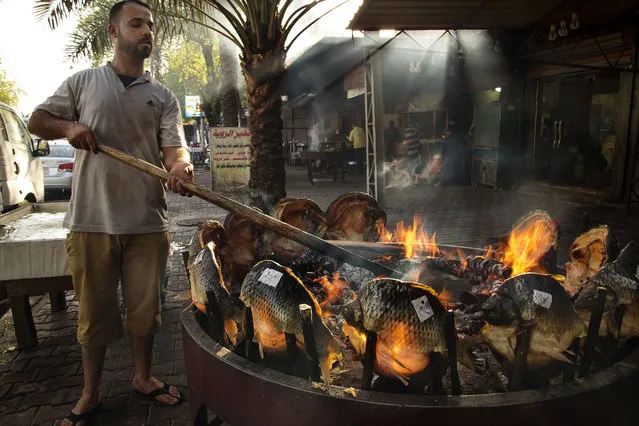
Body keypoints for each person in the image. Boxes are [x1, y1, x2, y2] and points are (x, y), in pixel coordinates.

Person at [27, 1, 193, 424]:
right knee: (94, 314)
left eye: (150, 25)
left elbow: (175, 149)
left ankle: (142, 378)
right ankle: (90, 392)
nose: (146, 31)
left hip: (146, 222)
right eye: (136, 24)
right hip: (91, 221)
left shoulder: (163, 96)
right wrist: (69, 128)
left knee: (144, 311)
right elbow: (36, 120)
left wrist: (180, 167)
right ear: (113, 32)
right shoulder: (84, 82)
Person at [436, 120, 466, 186]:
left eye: (451, 122)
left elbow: (445, 139)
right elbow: (444, 137)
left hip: (451, 152)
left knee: (446, 167)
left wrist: (445, 137)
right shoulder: (454, 131)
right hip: (453, 152)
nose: (450, 123)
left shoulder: (454, 132)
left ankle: (444, 181)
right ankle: (454, 181)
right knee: (453, 167)